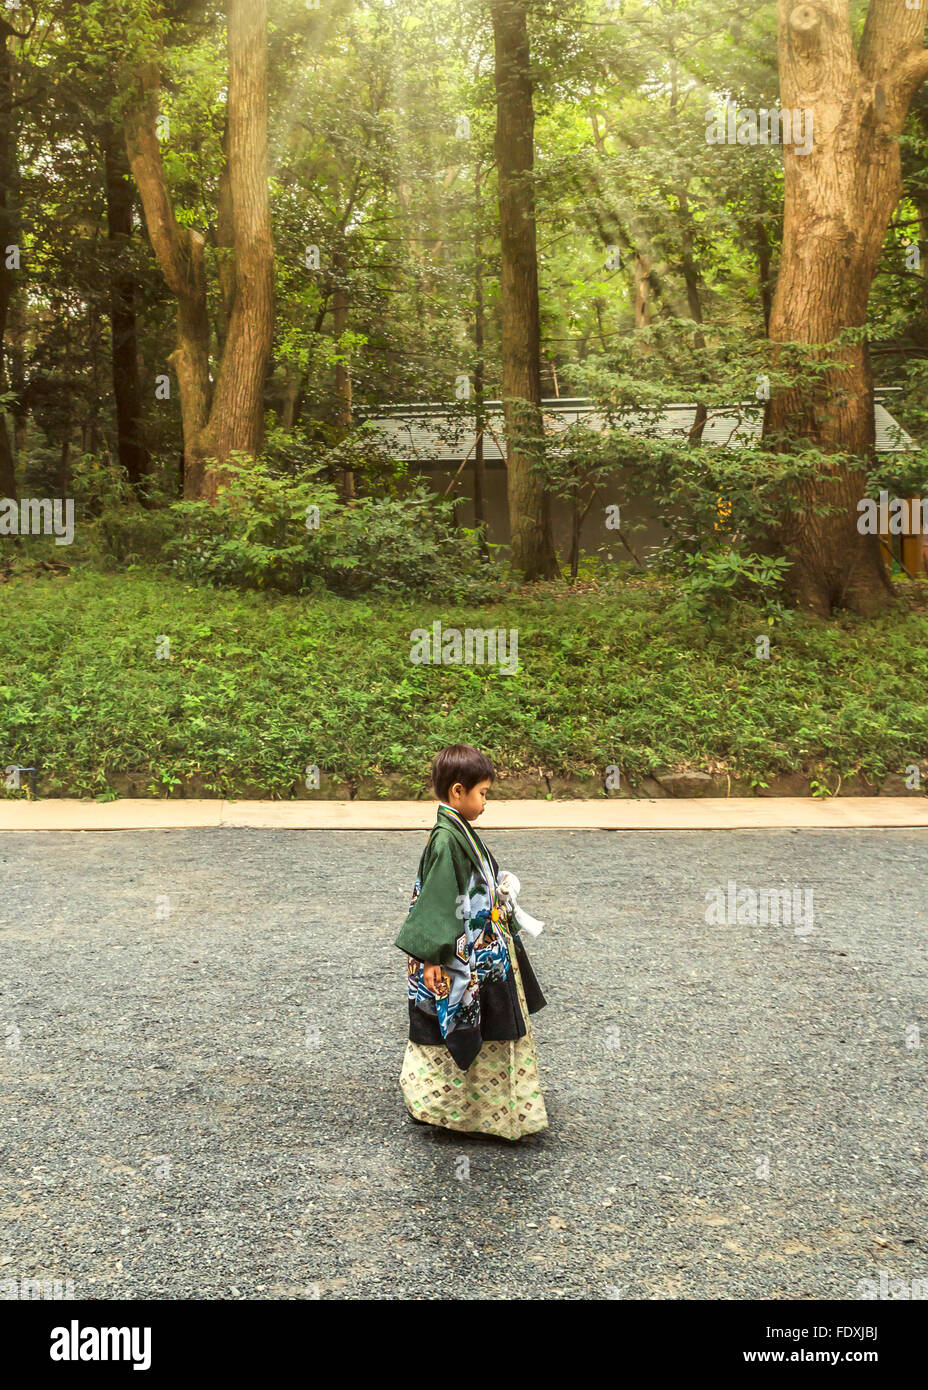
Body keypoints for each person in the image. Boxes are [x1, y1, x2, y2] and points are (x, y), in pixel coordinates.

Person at [395, 744, 548, 1140]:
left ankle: (462, 1108)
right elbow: (437, 903)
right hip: (462, 955)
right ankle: (454, 1110)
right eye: (483, 794)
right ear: (457, 791)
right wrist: (431, 957)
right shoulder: (447, 840)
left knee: (477, 1024)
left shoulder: (456, 832)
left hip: (480, 947)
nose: (485, 802)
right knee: (459, 1024)